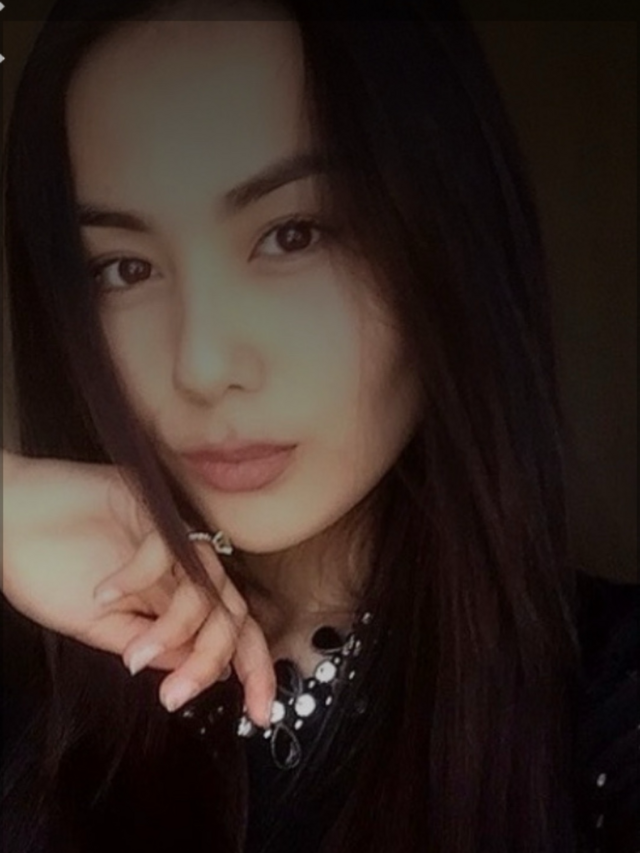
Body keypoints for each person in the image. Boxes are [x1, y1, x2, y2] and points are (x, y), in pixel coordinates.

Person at [1, 3, 638, 852]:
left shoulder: (606, 703)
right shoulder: (32, 667)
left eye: (291, 235)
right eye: (123, 268)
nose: (202, 364)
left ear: (446, 239)